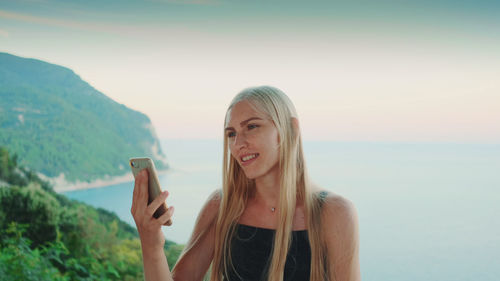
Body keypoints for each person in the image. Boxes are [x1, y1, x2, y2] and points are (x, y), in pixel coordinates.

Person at [131, 86, 360, 281]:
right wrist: (151, 244)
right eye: (231, 134)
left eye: (252, 127)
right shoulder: (222, 207)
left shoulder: (334, 213)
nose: (238, 143)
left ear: (290, 129)